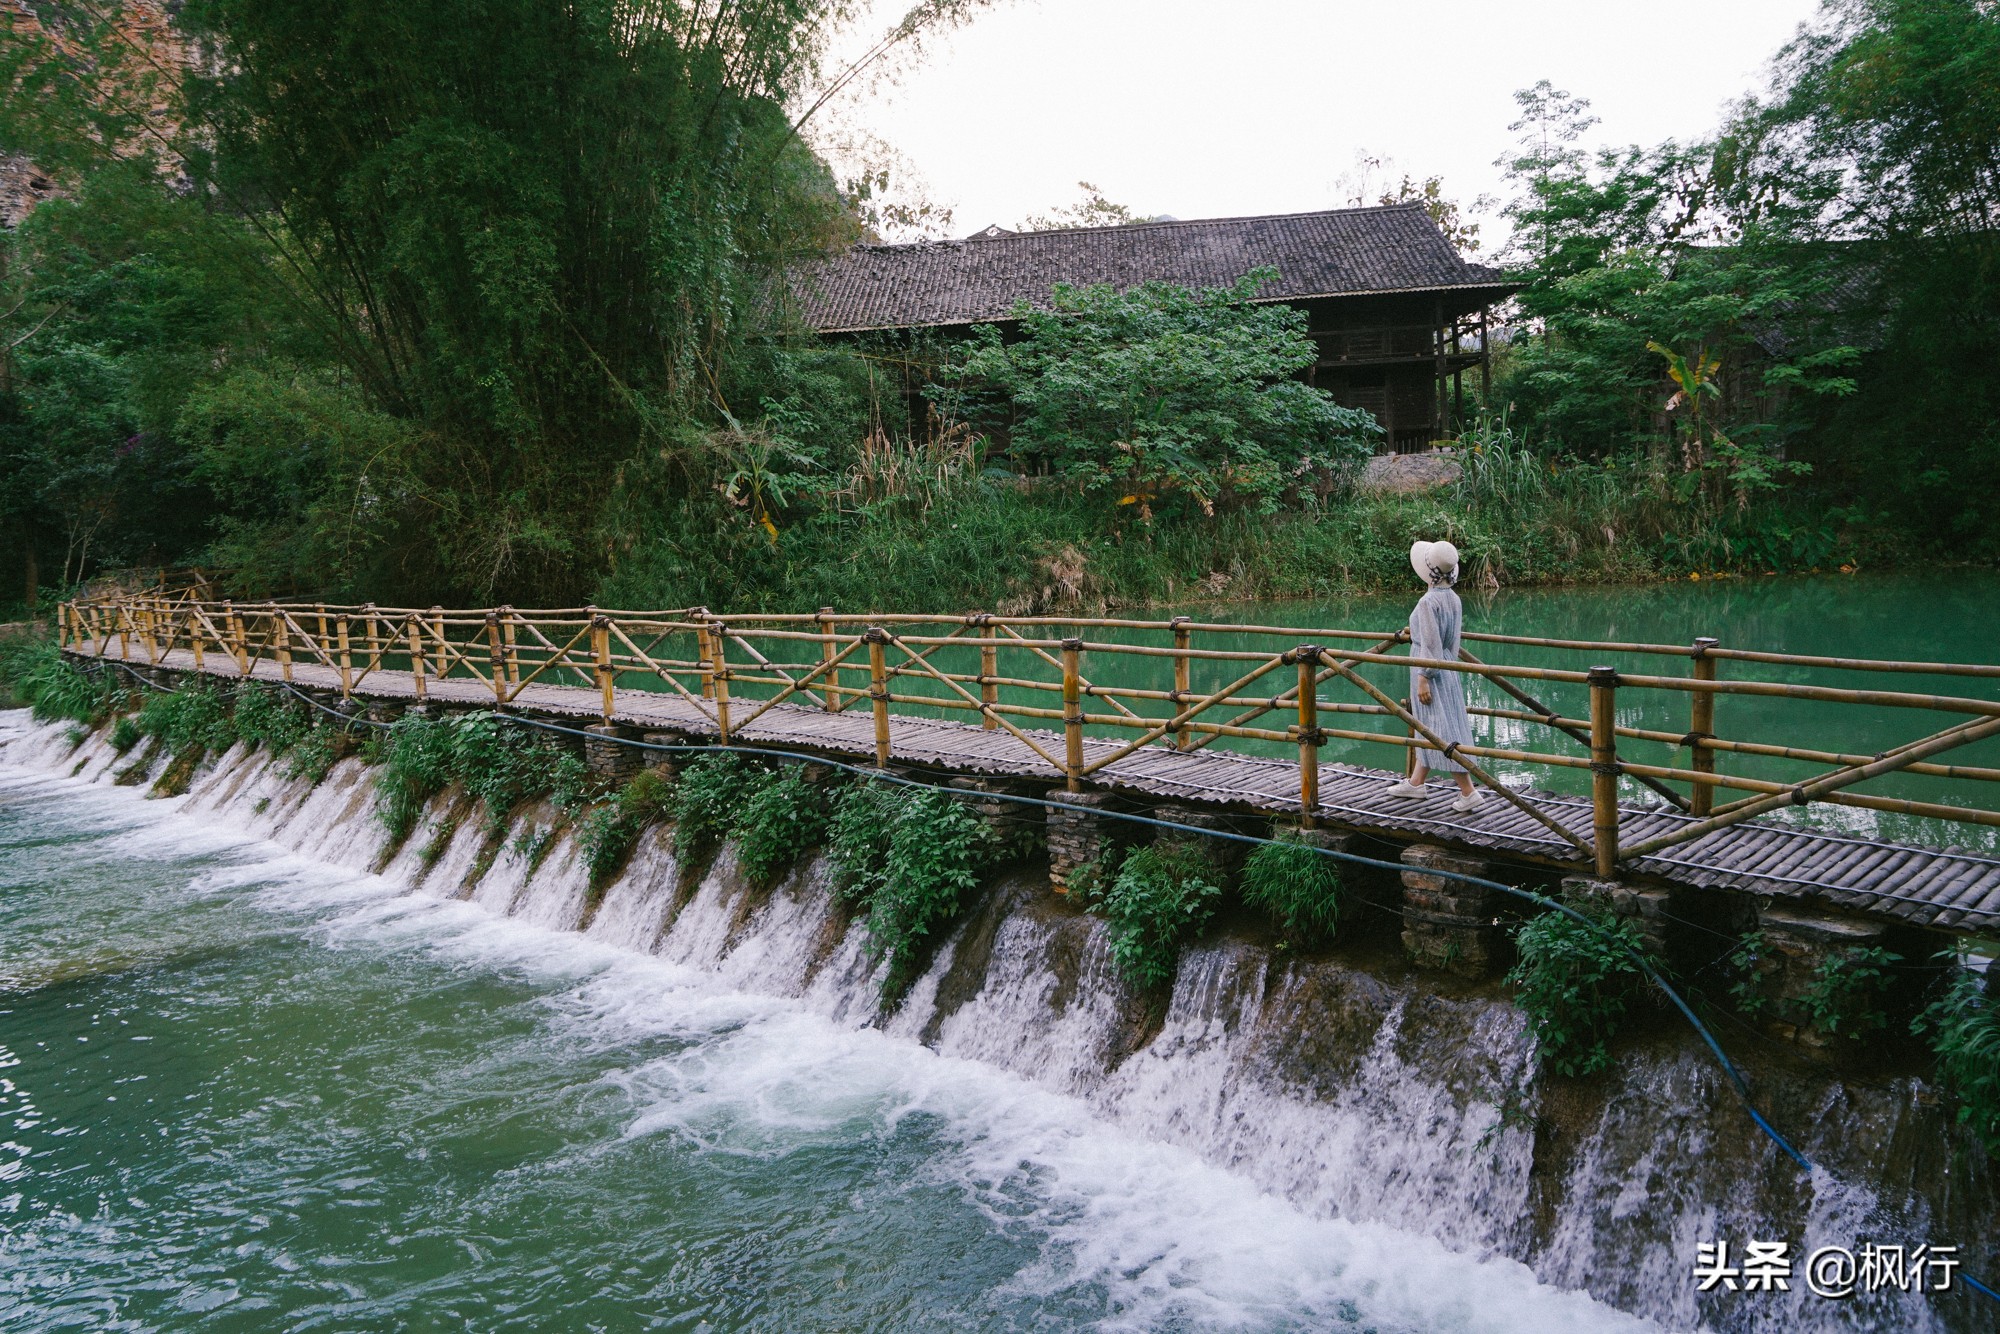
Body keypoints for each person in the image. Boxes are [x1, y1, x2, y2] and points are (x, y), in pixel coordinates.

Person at [1385, 539, 1483, 812]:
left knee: (1441, 729)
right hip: (1448, 667)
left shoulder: (1428, 602)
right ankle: (1416, 783)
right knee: (1430, 725)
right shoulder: (1453, 598)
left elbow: (1429, 642)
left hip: (1430, 670)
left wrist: (1423, 676)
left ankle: (1468, 791)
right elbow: (1446, 639)